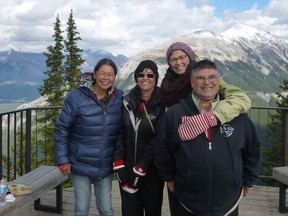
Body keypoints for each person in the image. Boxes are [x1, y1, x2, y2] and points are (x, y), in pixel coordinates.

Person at [155, 59, 261, 216]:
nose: (206, 82)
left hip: (228, 201)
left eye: (212, 77)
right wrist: (168, 178)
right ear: (192, 83)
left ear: (218, 81)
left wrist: (248, 179)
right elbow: (163, 150)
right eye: (200, 78)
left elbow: (252, 149)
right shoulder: (175, 114)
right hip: (186, 201)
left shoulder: (238, 116)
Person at [54, 58, 123, 216]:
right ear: (94, 74)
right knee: (81, 209)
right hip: (80, 163)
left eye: (110, 74)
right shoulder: (76, 97)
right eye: (102, 73)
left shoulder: (118, 97)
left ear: (114, 77)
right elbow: (62, 129)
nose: (106, 78)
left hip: (105, 164)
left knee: (106, 209)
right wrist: (63, 160)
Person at [113, 60, 165, 216]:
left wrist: (142, 166)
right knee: (130, 211)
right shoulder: (126, 101)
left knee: (152, 211)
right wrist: (118, 163)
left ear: (156, 78)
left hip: (152, 172)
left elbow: (160, 138)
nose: (145, 78)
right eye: (141, 74)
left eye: (150, 75)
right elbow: (118, 132)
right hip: (127, 170)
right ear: (136, 77)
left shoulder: (163, 104)